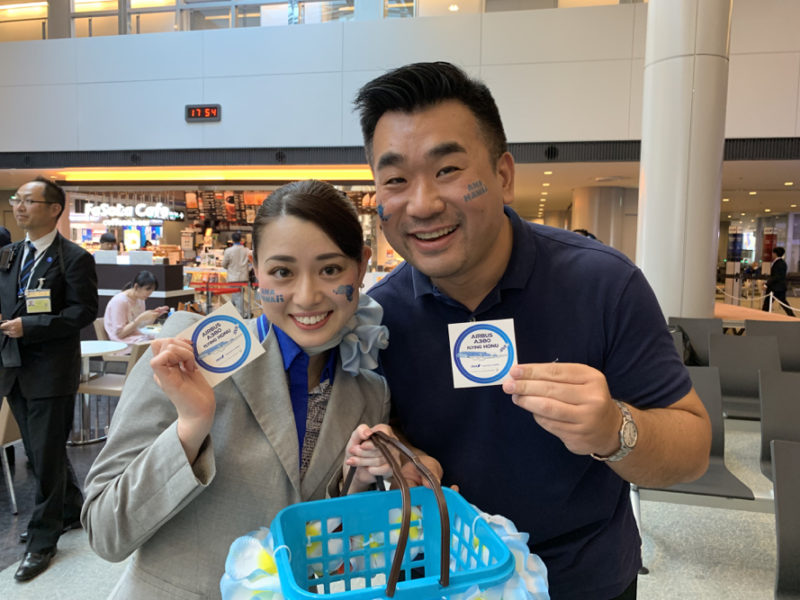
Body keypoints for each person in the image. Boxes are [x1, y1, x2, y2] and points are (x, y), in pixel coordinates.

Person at [354, 62, 711, 600]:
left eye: (448, 169)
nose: (422, 203)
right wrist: (391, 458)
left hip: (584, 582)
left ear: (503, 176)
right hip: (441, 581)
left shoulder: (603, 283)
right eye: (396, 179)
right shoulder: (377, 319)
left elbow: (693, 447)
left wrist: (615, 430)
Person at [82, 180, 394, 599]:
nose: (306, 296)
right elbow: (105, 532)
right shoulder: (185, 357)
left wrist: (358, 485)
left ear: (361, 266)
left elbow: (333, 538)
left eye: (331, 269)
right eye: (282, 272)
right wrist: (190, 429)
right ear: (254, 270)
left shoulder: (369, 391)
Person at [0, 177, 98, 582]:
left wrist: (33, 326)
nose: (19, 207)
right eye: (16, 200)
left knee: (44, 455)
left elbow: (83, 311)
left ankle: (42, 541)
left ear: (54, 209)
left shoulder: (73, 257)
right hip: (12, 368)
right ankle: (70, 510)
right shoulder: (8, 254)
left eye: (28, 201)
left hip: (50, 372)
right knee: (43, 453)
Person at [103, 270, 169, 344]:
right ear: (136, 286)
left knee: (165, 334)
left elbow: (141, 327)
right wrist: (140, 319)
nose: (150, 293)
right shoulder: (119, 301)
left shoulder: (140, 300)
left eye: (152, 290)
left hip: (136, 337)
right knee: (159, 343)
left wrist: (153, 316)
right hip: (122, 342)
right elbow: (120, 334)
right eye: (148, 289)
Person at [222, 230, 252, 316]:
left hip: (233, 277)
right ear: (241, 239)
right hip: (244, 277)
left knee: (237, 296)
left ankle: (242, 314)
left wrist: (229, 267)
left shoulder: (228, 251)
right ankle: (243, 312)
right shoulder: (246, 250)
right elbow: (251, 262)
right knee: (237, 295)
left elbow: (224, 264)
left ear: (232, 240)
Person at [762, 246, 794, 315]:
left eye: (773, 253)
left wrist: (766, 284)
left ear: (775, 254)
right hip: (780, 287)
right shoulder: (782, 262)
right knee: (783, 302)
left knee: (767, 303)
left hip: (775, 288)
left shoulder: (779, 263)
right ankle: (792, 315)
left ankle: (763, 316)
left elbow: (776, 276)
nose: (772, 254)